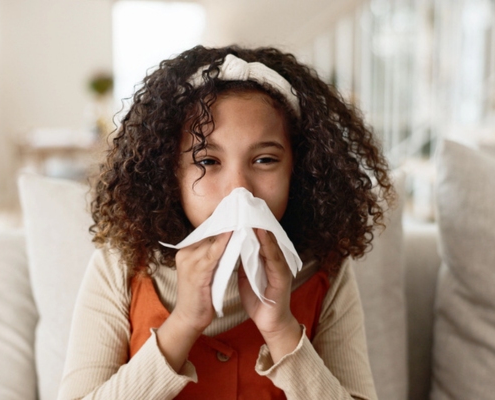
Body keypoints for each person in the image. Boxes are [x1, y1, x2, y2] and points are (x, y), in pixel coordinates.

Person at [58, 45, 394, 400]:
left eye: (264, 160)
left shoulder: (327, 270)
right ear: (170, 172)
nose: (239, 190)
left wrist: (280, 330)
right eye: (207, 161)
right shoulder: (119, 267)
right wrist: (184, 322)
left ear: (300, 169)